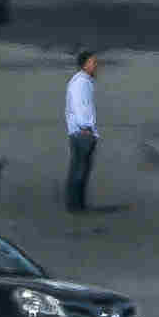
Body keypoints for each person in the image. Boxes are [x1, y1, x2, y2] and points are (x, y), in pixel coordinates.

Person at [63, 49, 99, 212]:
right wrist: (86, 127)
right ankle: (76, 205)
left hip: (79, 132)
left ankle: (76, 204)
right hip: (82, 132)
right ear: (84, 65)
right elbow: (80, 106)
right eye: (93, 62)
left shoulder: (81, 81)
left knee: (79, 168)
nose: (96, 65)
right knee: (80, 170)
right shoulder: (81, 82)